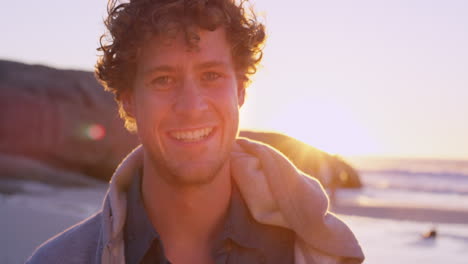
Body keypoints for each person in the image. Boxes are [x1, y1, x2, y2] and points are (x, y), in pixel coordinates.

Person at [27, 0, 364, 263]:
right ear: (129, 102)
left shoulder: (321, 254)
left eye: (211, 76)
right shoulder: (57, 260)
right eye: (164, 80)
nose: (191, 106)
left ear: (241, 91)